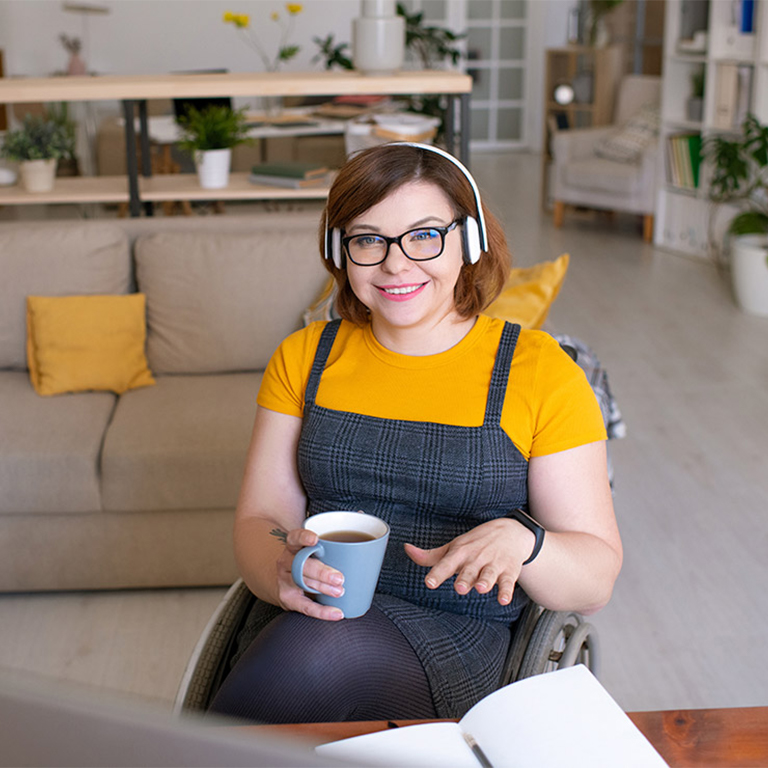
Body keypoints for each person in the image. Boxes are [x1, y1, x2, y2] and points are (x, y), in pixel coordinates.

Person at [209, 143, 622, 724]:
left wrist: (524, 543)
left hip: (455, 636)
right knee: (314, 646)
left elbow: (595, 578)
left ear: (469, 242)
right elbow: (261, 521)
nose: (396, 265)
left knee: (317, 657)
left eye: (424, 235)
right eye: (368, 239)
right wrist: (283, 567)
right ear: (340, 252)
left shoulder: (540, 371)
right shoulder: (304, 358)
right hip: (309, 613)